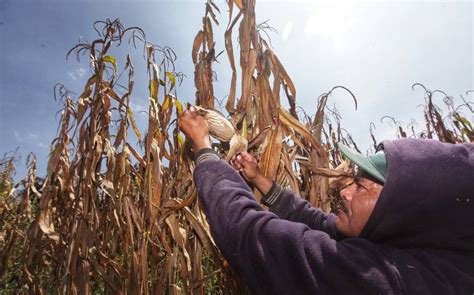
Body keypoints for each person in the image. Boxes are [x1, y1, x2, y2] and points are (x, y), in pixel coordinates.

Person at [178, 107, 474, 294]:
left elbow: (253, 236)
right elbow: (317, 221)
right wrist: (258, 179)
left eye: (362, 187)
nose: (345, 192)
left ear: (405, 209)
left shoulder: (381, 280)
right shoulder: (441, 252)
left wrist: (204, 150)